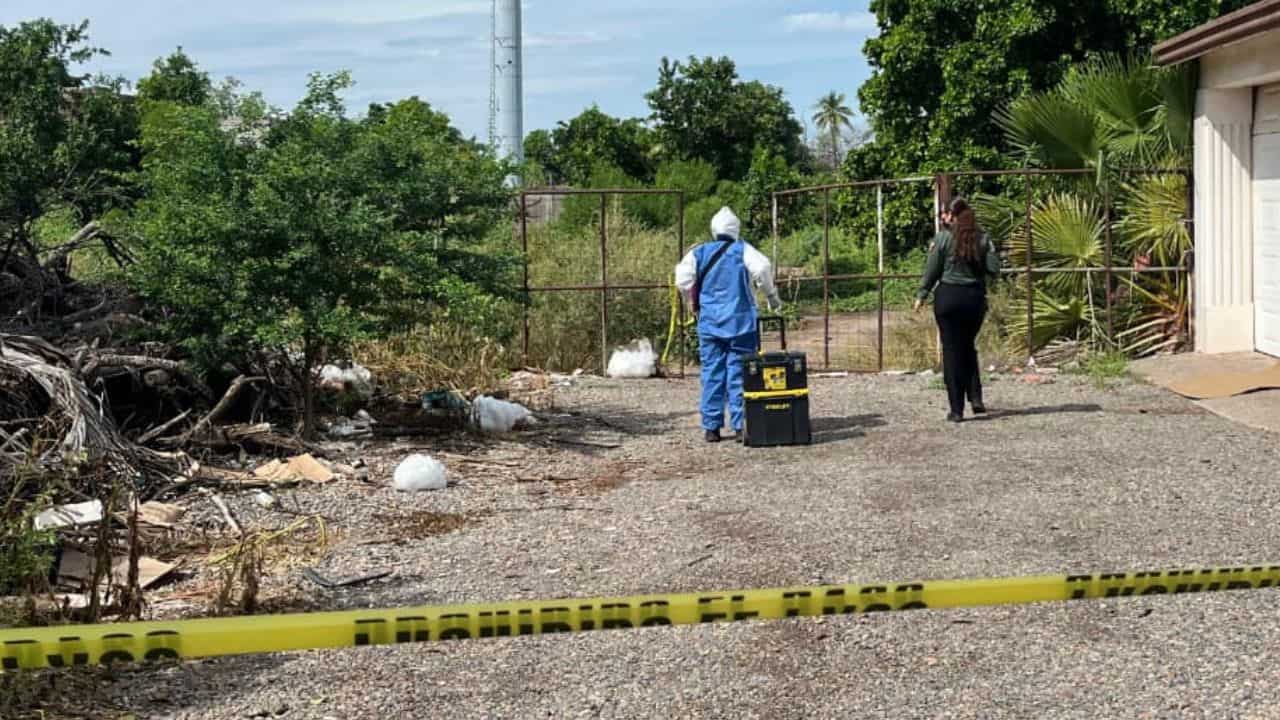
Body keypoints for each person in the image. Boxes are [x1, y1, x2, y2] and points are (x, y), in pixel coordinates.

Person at [675, 207, 782, 443]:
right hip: (741, 322)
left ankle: (711, 427)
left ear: (714, 230)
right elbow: (763, 268)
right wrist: (772, 296)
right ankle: (740, 424)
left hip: (710, 323)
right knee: (739, 372)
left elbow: (681, 279)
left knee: (712, 372)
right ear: (736, 229)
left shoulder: (699, 253)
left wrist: (692, 301)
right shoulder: (743, 249)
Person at [913, 197, 1000, 423]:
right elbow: (994, 269)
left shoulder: (942, 239)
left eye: (945, 214)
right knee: (967, 345)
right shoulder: (982, 238)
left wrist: (921, 295)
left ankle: (956, 409)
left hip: (949, 298)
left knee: (952, 351)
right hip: (974, 299)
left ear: (953, 216)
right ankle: (975, 396)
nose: (943, 218)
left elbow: (932, 271)